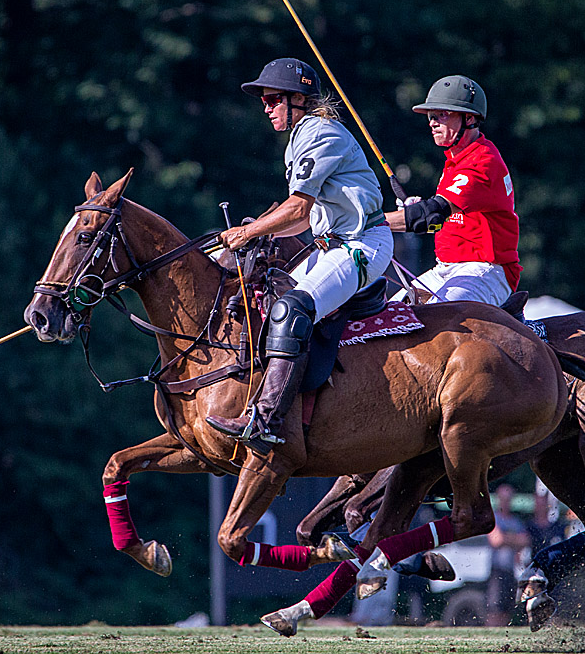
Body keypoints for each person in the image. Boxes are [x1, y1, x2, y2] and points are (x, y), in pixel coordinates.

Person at [206, 58, 394, 456]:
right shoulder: (300, 137)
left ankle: (267, 418)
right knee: (264, 299)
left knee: (290, 310)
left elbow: (294, 208)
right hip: (331, 244)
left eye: (273, 99)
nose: (267, 107)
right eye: (264, 101)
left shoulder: (321, 133)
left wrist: (248, 231)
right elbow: (301, 220)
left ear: (298, 99)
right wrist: (259, 235)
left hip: (361, 245)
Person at [384, 75, 522, 307]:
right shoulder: (456, 159)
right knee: (387, 317)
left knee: (435, 318)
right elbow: (439, 221)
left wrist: (365, 222)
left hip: (486, 271)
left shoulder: (482, 161)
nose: (432, 122)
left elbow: (433, 214)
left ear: (469, 118)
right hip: (444, 270)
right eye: (431, 116)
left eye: (442, 115)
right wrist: (417, 211)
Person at [485, 484, 530, 626]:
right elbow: (496, 540)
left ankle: (501, 636)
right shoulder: (494, 519)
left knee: (507, 608)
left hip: (511, 570)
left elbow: (526, 540)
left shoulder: (515, 521)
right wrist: (514, 539)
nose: (506, 501)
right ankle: (490, 635)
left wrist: (506, 538)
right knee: (494, 607)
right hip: (497, 569)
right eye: (503, 498)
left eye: (508, 499)